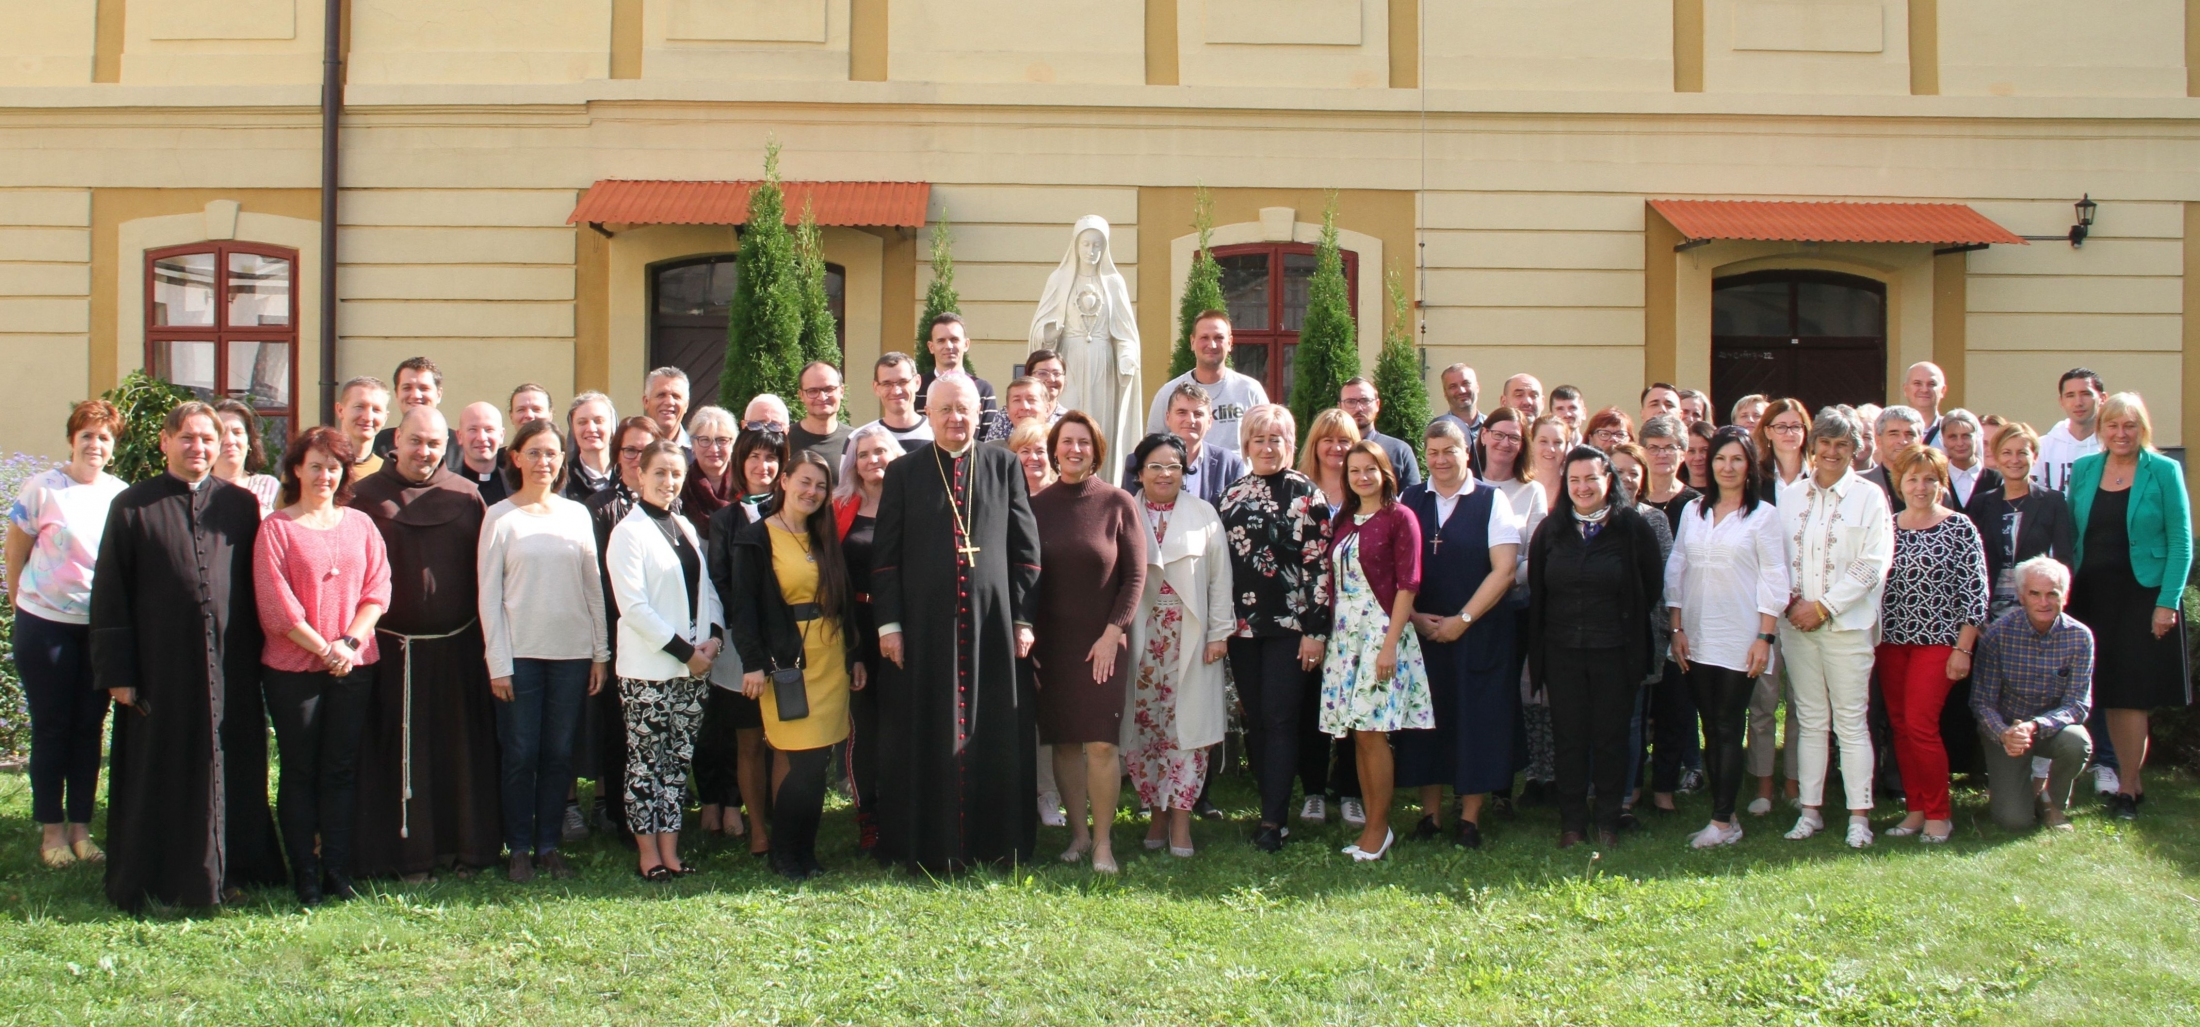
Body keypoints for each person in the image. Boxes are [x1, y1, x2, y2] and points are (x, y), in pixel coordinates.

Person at [90, 401, 286, 909]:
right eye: (188, 437)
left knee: (233, 762)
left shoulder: (239, 505)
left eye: (207, 439)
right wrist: (118, 672)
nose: (198, 447)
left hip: (231, 664)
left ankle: (235, 868)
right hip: (160, 668)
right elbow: (110, 592)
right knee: (164, 767)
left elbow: (256, 584)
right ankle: (161, 873)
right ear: (165, 442)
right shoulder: (132, 505)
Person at [871, 374, 1043, 872]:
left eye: (964, 409)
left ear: (979, 413)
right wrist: (889, 626)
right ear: (928, 413)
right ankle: (927, 842)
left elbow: (1026, 550)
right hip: (925, 630)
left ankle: (997, 842)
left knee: (994, 730)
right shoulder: (904, 471)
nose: (955, 418)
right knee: (927, 729)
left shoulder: (1004, 465)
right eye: (945, 409)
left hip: (994, 628)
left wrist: (1023, 618)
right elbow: (885, 558)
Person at [348, 406, 502, 880]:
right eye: (416, 441)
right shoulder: (363, 497)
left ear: (446, 446)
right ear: (396, 439)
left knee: (457, 755)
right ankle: (402, 855)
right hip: (390, 654)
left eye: (434, 443)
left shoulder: (465, 496)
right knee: (396, 756)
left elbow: (486, 574)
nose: (424, 452)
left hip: (458, 651)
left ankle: (464, 848)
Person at [254, 427, 390, 904]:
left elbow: (378, 589)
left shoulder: (361, 524)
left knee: (340, 768)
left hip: (354, 664)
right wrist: (324, 649)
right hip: (293, 669)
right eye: (315, 466)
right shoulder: (277, 528)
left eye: (333, 467)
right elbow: (276, 606)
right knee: (299, 770)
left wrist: (349, 643)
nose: (324, 476)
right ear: (296, 469)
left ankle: (336, 869)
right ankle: (305, 874)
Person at [477, 418, 610, 883]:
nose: (543, 461)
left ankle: (549, 845)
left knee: (558, 753)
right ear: (516, 458)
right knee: (520, 753)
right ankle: (518, 848)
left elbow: (593, 587)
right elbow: (489, 597)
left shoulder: (576, 515)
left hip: (571, 656)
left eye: (552, 453)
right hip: (521, 657)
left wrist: (600, 653)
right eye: (533, 452)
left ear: (561, 460)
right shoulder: (500, 517)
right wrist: (498, 663)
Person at [726, 451, 860, 881]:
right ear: (784, 481)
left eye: (821, 486)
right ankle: (784, 853)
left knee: (818, 764)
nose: (812, 492)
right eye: (805, 481)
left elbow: (843, 600)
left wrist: (854, 655)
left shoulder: (824, 535)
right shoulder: (756, 538)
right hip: (787, 663)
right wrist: (752, 664)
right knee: (801, 763)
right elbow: (745, 609)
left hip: (830, 660)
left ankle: (805, 852)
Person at [7, 399, 127, 870]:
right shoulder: (43, 489)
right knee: (52, 727)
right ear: (72, 440)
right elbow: (16, 551)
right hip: (45, 626)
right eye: (87, 435)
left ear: (113, 447)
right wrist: (21, 604)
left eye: (104, 437)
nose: (95, 444)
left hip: (96, 631)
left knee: (88, 729)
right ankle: (51, 831)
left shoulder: (120, 495)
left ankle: (81, 829)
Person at [1527, 445, 1665, 848]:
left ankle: (1608, 819)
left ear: (1609, 481)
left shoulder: (1631, 528)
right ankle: (1572, 823)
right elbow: (1539, 588)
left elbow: (1650, 585)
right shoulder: (1550, 530)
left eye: (1591, 478)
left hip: (1616, 652)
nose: (1583, 487)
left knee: (1611, 737)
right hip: (1562, 652)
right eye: (1574, 480)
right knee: (1569, 738)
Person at [1028, 412, 1145, 873]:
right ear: (1054, 450)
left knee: (1100, 744)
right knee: (1063, 742)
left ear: (1096, 450)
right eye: (1066, 441)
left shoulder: (1118, 503)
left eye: (1084, 442)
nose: (1074, 449)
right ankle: (1078, 835)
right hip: (1052, 646)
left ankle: (1103, 843)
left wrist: (1114, 632)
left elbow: (1134, 577)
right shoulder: (1036, 507)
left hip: (1103, 645)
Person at [1396, 420, 1520, 849]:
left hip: (1478, 633)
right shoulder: (1410, 499)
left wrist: (1462, 620)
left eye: (1449, 450)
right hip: (1423, 633)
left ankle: (1469, 818)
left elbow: (1504, 569)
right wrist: (1413, 617)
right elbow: (1393, 565)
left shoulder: (1491, 500)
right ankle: (1429, 816)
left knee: (1475, 721)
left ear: (1468, 451)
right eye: (1432, 452)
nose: (1440, 460)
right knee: (1426, 722)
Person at [2067, 392, 2191, 820]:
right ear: (2101, 429)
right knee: (2106, 690)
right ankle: (2125, 780)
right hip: (2090, 596)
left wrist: (2167, 603)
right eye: (2113, 425)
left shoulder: (2164, 471)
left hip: (2142, 596)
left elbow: (2181, 541)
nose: (2121, 433)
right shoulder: (2085, 469)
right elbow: (2073, 534)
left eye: (2130, 426)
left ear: (2143, 429)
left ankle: (2127, 787)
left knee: (2131, 696)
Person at [1665, 427, 1787, 849]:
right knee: (1709, 725)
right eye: (1720, 458)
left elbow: (1774, 578)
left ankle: (1721, 821)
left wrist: (1764, 636)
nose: (1727, 467)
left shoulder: (1763, 516)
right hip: (1697, 635)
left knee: (1728, 724)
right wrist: (1676, 628)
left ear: (1750, 465)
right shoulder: (1693, 511)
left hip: (1741, 636)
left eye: (1737, 459)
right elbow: (1678, 568)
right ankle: (1726, 815)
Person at [1220, 404, 1334, 852]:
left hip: (1292, 626)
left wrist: (1316, 632)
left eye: (1276, 439)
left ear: (1290, 443)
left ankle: (1273, 821)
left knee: (1282, 717)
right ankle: (1270, 803)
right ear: (1246, 445)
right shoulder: (1231, 496)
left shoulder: (1308, 495)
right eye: (1259, 439)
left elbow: (1320, 568)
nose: (1268, 448)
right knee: (1257, 718)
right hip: (1243, 628)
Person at [1777, 409, 1894, 849]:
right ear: (1812, 447)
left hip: (1848, 625)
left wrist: (1824, 607)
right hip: (1796, 625)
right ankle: (1810, 812)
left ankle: (1859, 816)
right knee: (1810, 719)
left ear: (1855, 450)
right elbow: (1775, 556)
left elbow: (1873, 563)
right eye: (1824, 443)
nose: (1831, 451)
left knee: (1850, 721)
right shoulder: (1791, 497)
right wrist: (1793, 603)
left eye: (1842, 444)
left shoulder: (1869, 496)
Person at [608, 440, 722, 878]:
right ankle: (648, 854)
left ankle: (671, 851)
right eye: (659, 472)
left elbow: (705, 589)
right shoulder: (628, 533)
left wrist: (713, 638)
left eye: (676, 473)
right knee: (646, 763)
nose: (668, 481)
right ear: (640, 475)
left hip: (693, 668)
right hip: (649, 670)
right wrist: (685, 653)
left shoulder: (684, 526)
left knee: (677, 762)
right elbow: (634, 608)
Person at [1118, 432, 1232, 859]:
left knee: (1188, 730)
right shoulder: (1124, 510)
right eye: (1155, 466)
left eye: (1173, 466)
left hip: (1191, 637)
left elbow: (1220, 579)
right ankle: (1156, 814)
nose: (1164, 474)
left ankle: (1182, 819)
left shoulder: (1204, 514)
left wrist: (1219, 634)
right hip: (1140, 637)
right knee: (1147, 729)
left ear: (1184, 471)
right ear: (1140, 472)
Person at [1317, 441, 1427, 862]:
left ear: (1385, 473)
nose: (1362, 477)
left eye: (1370, 469)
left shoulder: (1400, 517)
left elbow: (1408, 584)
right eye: (1354, 470)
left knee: (1372, 732)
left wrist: (1389, 646)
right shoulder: (1345, 519)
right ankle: (1371, 828)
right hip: (1346, 636)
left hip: (1381, 632)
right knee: (1359, 735)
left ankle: (1379, 829)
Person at [1875, 444, 1989, 844]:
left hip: (1939, 642)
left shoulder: (1960, 527)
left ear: (1942, 484)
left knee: (1921, 725)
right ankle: (1916, 809)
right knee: (1901, 727)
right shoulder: (1887, 526)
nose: (1920, 487)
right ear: (1899, 483)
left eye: (1929, 479)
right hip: (1891, 642)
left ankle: (1939, 814)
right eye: (1912, 479)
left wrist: (1963, 649)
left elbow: (1975, 594)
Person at [700, 427, 785, 853]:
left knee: (785, 739)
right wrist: (751, 627)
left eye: (771, 458)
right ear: (740, 462)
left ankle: (785, 825)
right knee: (748, 739)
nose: (762, 466)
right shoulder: (724, 520)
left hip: (788, 641)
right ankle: (757, 832)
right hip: (741, 644)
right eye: (754, 457)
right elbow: (720, 580)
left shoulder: (794, 510)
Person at [579, 415, 665, 837]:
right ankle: (621, 814)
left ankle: (661, 811)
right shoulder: (599, 507)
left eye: (646, 450)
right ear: (617, 456)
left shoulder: (672, 505)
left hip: (664, 634)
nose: (637, 458)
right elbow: (596, 578)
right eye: (630, 450)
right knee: (621, 729)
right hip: (620, 633)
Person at [1971, 557, 2094, 832]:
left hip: (2051, 730)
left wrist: (2036, 725)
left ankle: (2052, 802)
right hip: (2006, 731)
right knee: (2014, 821)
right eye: (2035, 594)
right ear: (2021, 595)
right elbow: (1982, 702)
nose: (2043, 602)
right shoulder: (1998, 634)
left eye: (2053, 594)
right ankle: (2020, 797)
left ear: (2065, 595)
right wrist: (2005, 733)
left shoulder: (2080, 637)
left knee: (2078, 741)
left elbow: (2078, 704)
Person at [1294, 407, 1364, 824]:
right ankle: (1314, 791)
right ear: (1315, 445)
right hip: (1307, 619)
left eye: (1344, 441)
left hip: (1356, 620)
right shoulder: (1300, 490)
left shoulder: (1365, 492)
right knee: (1311, 706)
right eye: (1328, 440)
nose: (1336, 448)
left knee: (1353, 706)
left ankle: (1351, 790)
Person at [832, 423, 898, 850]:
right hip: (858, 627)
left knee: (902, 722)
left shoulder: (912, 505)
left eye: (881, 451)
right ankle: (868, 813)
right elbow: (835, 582)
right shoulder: (841, 508)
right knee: (866, 725)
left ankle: (900, 806)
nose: (874, 460)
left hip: (905, 628)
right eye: (864, 454)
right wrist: (852, 651)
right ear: (853, 464)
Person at [1969, 423, 2075, 624]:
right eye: (2007, 453)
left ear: (2034, 456)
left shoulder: (2053, 502)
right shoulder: (1981, 503)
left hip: (2037, 609)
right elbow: (1972, 562)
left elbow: (2063, 559)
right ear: (1996, 457)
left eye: (2022, 453)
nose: (2014, 460)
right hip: (1989, 613)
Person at [1145, 311, 1269, 455]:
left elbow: (1267, 438)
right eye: (1204, 337)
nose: (1212, 345)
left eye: (1219, 338)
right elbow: (1152, 447)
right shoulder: (1169, 393)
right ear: (1192, 342)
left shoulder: (1249, 390)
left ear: (1230, 343)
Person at [1128, 381, 1247, 506]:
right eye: (1182, 412)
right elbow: (1127, 510)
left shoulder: (1229, 464)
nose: (1190, 420)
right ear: (1168, 418)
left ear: (1210, 421)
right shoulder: (1138, 461)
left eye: (1198, 414)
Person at [918, 313, 1008, 442]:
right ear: (931, 347)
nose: (948, 346)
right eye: (941, 341)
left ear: (966, 344)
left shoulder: (983, 389)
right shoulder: (917, 388)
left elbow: (988, 440)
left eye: (954, 340)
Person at [370, 357, 463, 469]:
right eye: (407, 388)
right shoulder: (376, 444)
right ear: (397, 394)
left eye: (424, 388)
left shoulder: (460, 446)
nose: (415, 395)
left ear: (439, 394)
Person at [1339, 377, 1423, 487]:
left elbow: (1412, 495)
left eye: (1365, 401)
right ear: (1340, 407)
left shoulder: (1398, 450)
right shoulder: (1332, 452)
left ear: (1377, 405)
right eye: (1350, 402)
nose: (1358, 408)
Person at [2036, 368, 2105, 493]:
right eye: (2070, 395)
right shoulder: (2042, 447)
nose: (2078, 402)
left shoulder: (2112, 447)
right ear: (2061, 401)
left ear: (2102, 398)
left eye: (2086, 394)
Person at [675, 405, 741, 536]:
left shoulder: (747, 484)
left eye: (722, 440)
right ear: (692, 444)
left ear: (733, 444)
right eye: (705, 440)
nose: (714, 449)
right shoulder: (681, 488)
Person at [211, 398, 281, 516]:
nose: (230, 441)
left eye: (237, 432)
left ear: (249, 441)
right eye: (221, 433)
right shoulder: (197, 488)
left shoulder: (270, 487)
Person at [860, 352, 935, 453]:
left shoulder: (937, 433)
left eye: (903, 382)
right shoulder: (860, 439)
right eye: (887, 384)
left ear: (917, 382)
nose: (896, 391)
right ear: (876, 388)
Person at [790, 361, 853, 471]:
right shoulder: (785, 441)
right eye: (813, 391)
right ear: (801, 395)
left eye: (829, 389)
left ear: (841, 391)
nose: (822, 397)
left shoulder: (855, 440)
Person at [1860, 406, 1926, 512]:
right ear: (1878, 441)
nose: (1902, 441)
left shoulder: (1933, 488)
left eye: (1910, 434)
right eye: (1894, 434)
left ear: (1920, 441)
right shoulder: (1859, 484)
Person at [1638, 416, 1699, 530]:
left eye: (1670, 447)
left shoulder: (1696, 503)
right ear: (1642, 453)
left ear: (1683, 454)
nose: (1662, 455)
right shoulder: (1632, 498)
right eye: (1653, 448)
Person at [564, 391, 619, 502]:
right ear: (573, 429)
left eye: (599, 421)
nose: (591, 428)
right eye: (582, 422)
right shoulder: (562, 479)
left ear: (612, 426)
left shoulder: (628, 474)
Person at [1939, 409, 2001, 506]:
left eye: (1966, 436)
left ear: (1977, 438)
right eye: (1953, 437)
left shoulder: (1997, 479)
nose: (1960, 443)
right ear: (1943, 440)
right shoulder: (1937, 478)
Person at [1752, 399, 1812, 498]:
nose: (1789, 433)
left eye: (1796, 426)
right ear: (1767, 432)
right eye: (1781, 427)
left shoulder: (1818, 474)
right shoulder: (1755, 476)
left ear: (1804, 430)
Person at [455, 402, 511, 506]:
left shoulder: (518, 486)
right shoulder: (443, 486)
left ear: (501, 435)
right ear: (459, 436)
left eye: (489, 430)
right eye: (473, 429)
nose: (481, 438)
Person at [338, 376, 391, 480]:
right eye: (359, 407)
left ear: (385, 417)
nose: (368, 417)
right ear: (340, 410)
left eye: (376, 410)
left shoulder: (388, 473)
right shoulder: (323, 467)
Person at [1528, 414, 1573, 512]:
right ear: (1532, 443)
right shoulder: (1517, 487)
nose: (1550, 449)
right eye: (1543, 441)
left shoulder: (1573, 490)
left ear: (1566, 447)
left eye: (1557, 442)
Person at [643, 366, 693, 453]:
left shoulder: (697, 453)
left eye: (676, 396)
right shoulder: (632, 451)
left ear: (686, 405)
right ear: (646, 402)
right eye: (661, 395)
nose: (669, 402)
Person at [1435, 362, 1484, 448]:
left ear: (1477, 387)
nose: (1461, 391)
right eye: (1453, 386)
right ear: (1445, 393)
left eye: (1466, 383)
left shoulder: (1493, 428)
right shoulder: (1437, 431)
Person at [1903, 362, 1949, 446]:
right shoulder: (1890, 431)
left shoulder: (1952, 432)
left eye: (1931, 384)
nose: (1924, 390)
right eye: (1917, 383)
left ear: (1943, 391)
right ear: (1905, 389)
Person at [1025, 349, 1069, 424]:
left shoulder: (1069, 420)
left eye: (1056, 373)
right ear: (1028, 377)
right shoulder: (1013, 415)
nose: (1051, 379)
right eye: (1042, 373)